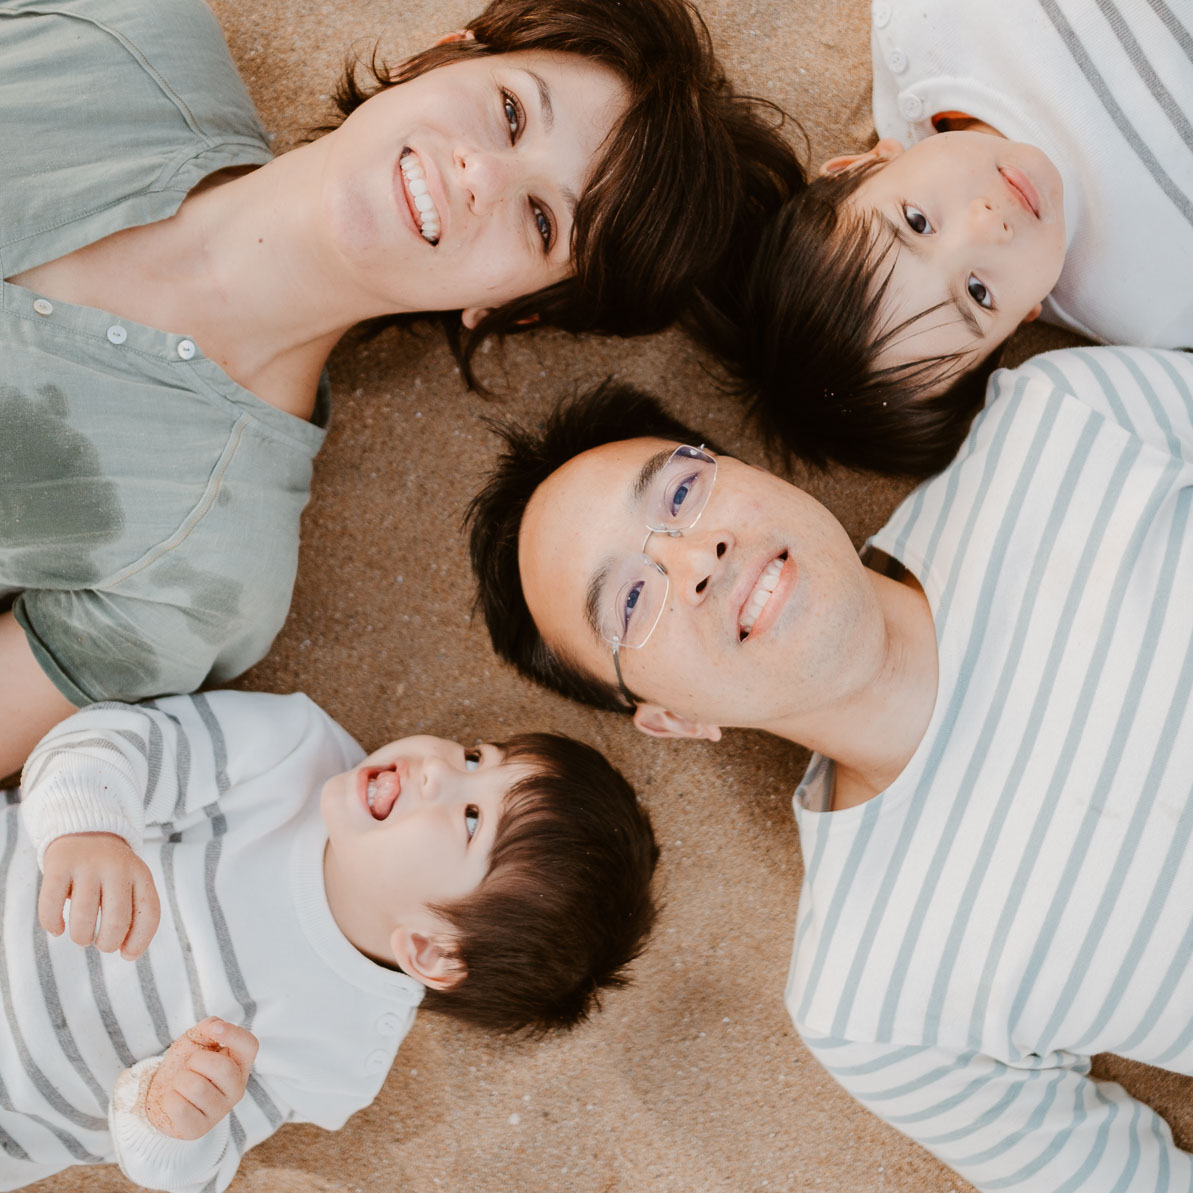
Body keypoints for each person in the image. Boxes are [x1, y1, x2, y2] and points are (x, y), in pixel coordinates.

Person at [0, 0, 804, 778]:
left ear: (513, 311)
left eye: (541, 220)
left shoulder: (209, 566)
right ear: (446, 52)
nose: (480, 175)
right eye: (513, 114)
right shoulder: (117, 30)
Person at [467, 344, 1193, 1192]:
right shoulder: (867, 1001)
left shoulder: (1063, 424)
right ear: (672, 720)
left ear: (745, 470)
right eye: (629, 599)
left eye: (679, 492)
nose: (694, 557)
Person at [4, 688, 658, 1192]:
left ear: (430, 949)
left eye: (469, 818)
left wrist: (169, 1117)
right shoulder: (292, 750)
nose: (437, 770)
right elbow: (106, 741)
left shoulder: (339, 1048)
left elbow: (191, 1168)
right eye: (473, 756)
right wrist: (91, 830)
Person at [721, 0, 1193, 478]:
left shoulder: (930, 27)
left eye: (917, 222)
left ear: (863, 165)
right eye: (978, 293)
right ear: (1021, 320)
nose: (987, 225)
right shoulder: (1149, 307)